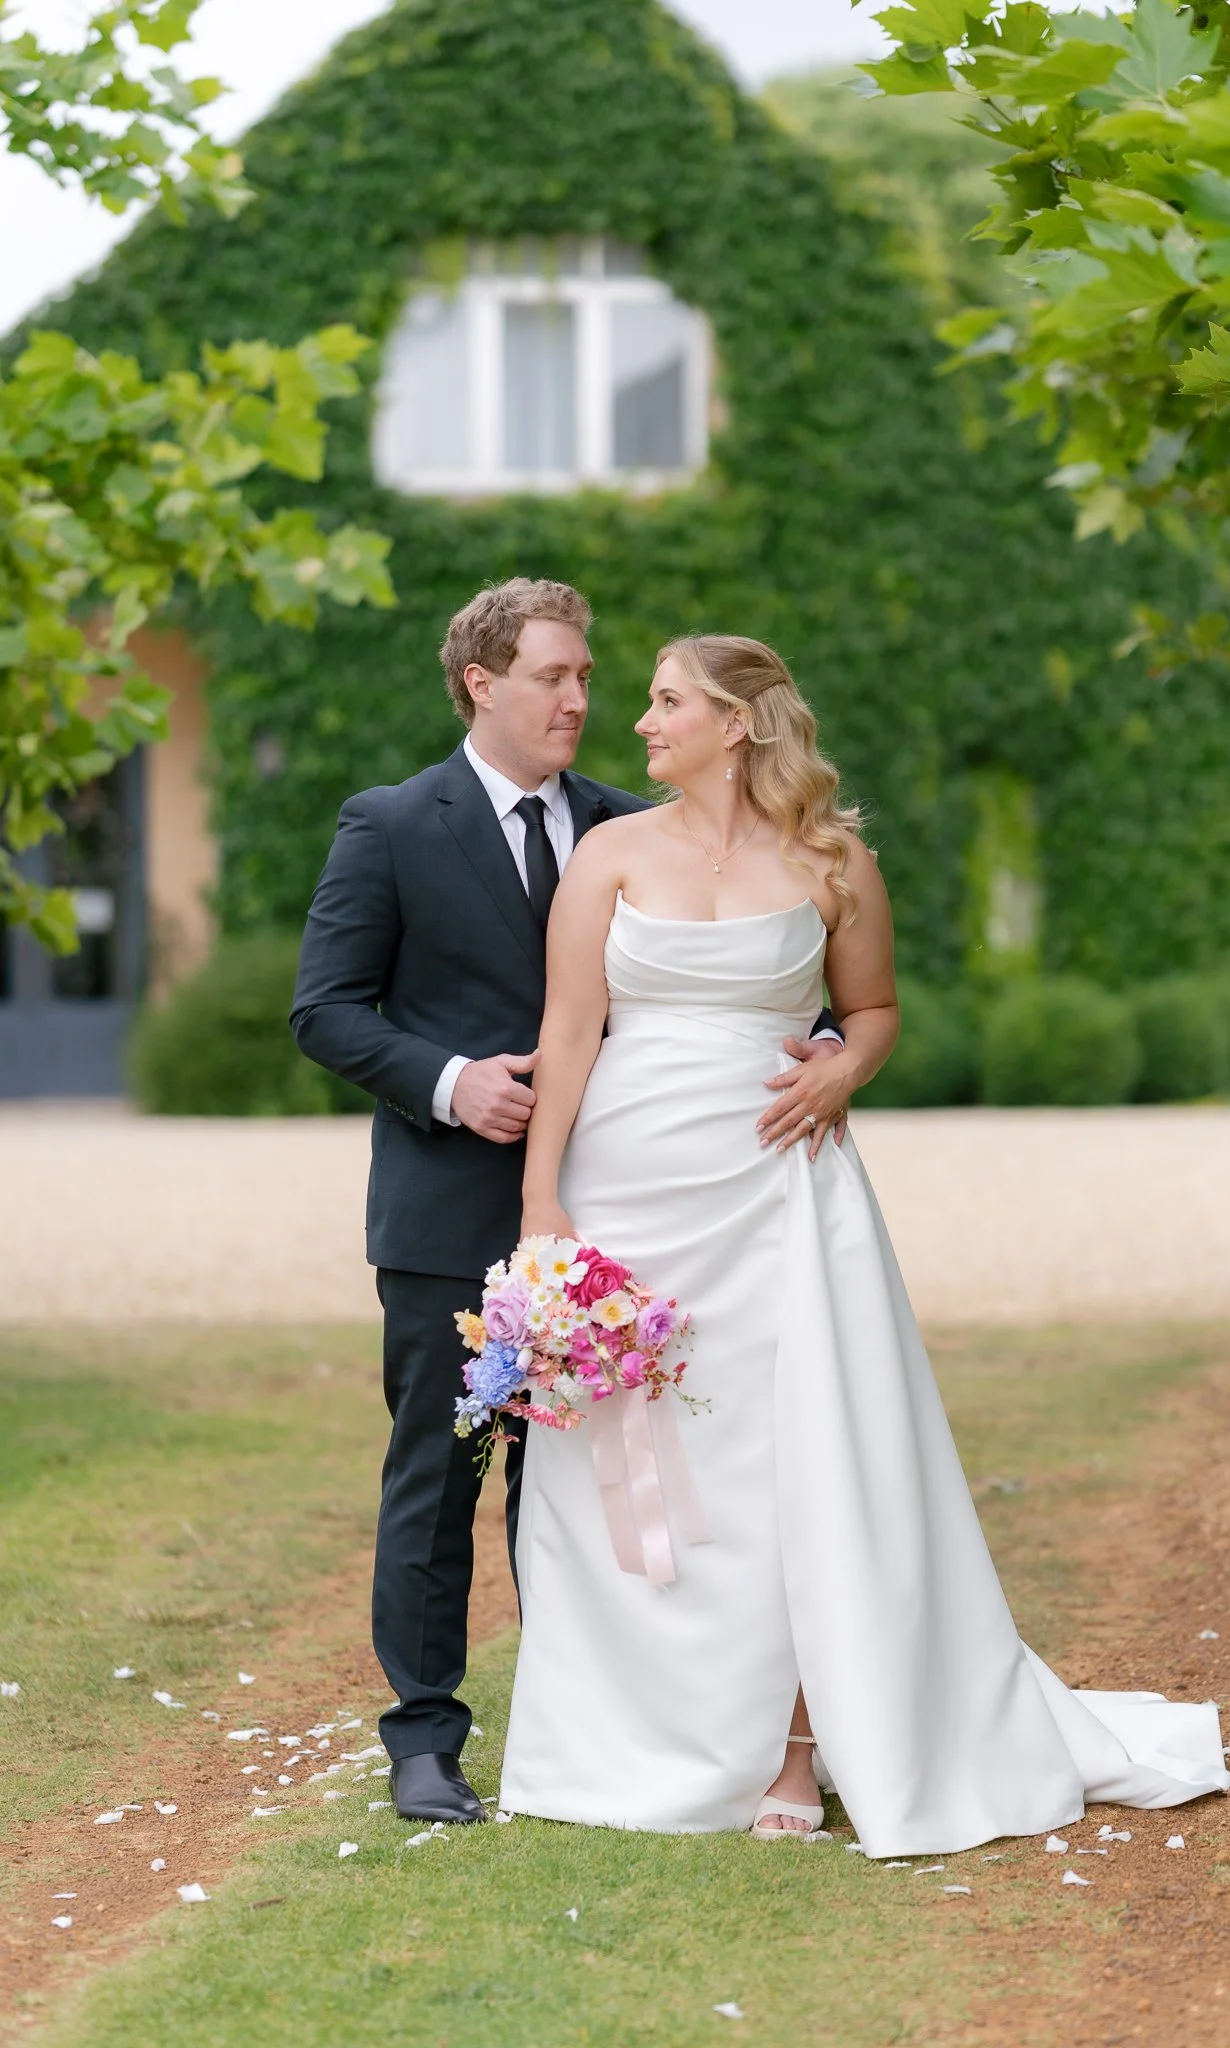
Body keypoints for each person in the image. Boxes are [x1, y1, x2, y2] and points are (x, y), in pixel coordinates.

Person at [501, 632, 1230, 1854]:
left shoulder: (836, 862)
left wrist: (844, 1068)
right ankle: (626, 1736)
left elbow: (876, 1010)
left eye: (666, 700)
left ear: (736, 723)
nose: (640, 721)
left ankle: (795, 1749)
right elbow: (569, 1032)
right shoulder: (607, 857)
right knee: (639, 1463)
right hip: (631, 1192)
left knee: (802, 1457)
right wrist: (542, 1205)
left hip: (783, 1191)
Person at [290, 583, 841, 1826]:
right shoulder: (389, 823)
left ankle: (591, 1725)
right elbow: (324, 1007)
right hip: (449, 1213)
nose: (581, 700)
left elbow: (722, 956)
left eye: (591, 675)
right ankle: (425, 1737)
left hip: (626, 1211)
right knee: (438, 1477)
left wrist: (821, 1047)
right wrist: (450, 1081)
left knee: (598, 1485)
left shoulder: (627, 822)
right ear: (482, 682)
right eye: (554, 676)